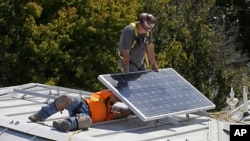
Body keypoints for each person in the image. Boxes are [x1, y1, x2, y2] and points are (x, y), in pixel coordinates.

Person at [28, 90, 132, 132]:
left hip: (85, 115)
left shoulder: (111, 113)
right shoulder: (106, 94)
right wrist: (122, 96)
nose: (119, 99)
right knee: (65, 99)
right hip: (82, 103)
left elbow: (121, 114)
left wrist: (132, 110)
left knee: (86, 121)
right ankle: (40, 115)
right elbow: (115, 94)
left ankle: (65, 124)